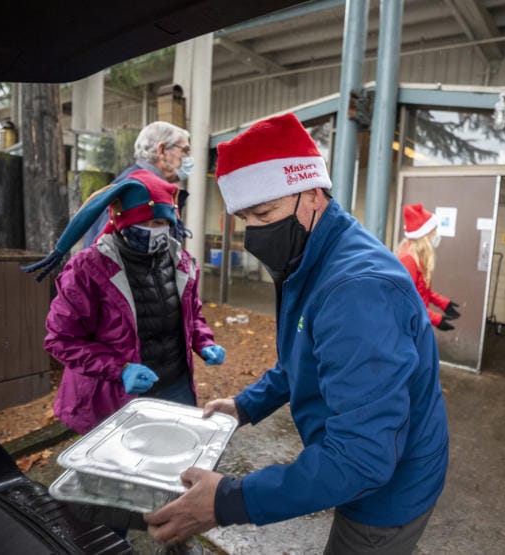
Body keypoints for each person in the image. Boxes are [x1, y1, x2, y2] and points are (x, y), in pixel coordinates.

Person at [143, 113, 449, 553]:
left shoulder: (357, 291)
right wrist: (245, 404)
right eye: (246, 217)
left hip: (388, 494)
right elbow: (302, 359)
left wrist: (229, 499)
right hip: (367, 465)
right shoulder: (311, 254)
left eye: (265, 212)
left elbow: (362, 458)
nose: (256, 231)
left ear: (312, 193)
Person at [21, 169, 225, 435]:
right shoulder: (88, 268)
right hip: (113, 399)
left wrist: (204, 341)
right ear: (124, 222)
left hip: (175, 387)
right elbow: (61, 340)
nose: (158, 232)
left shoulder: (181, 261)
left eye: (163, 223)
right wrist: (121, 370)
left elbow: (190, 314)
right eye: (149, 224)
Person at [83, 120, 195, 246]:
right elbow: (104, 249)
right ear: (162, 150)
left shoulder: (146, 187)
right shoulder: (136, 189)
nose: (189, 157)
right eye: (185, 150)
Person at [395, 203, 460, 331]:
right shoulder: (409, 259)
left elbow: (422, 291)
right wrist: (436, 319)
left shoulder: (417, 256)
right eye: (434, 230)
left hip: (418, 321)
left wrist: (444, 304)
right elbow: (407, 301)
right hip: (409, 326)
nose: (436, 234)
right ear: (424, 234)